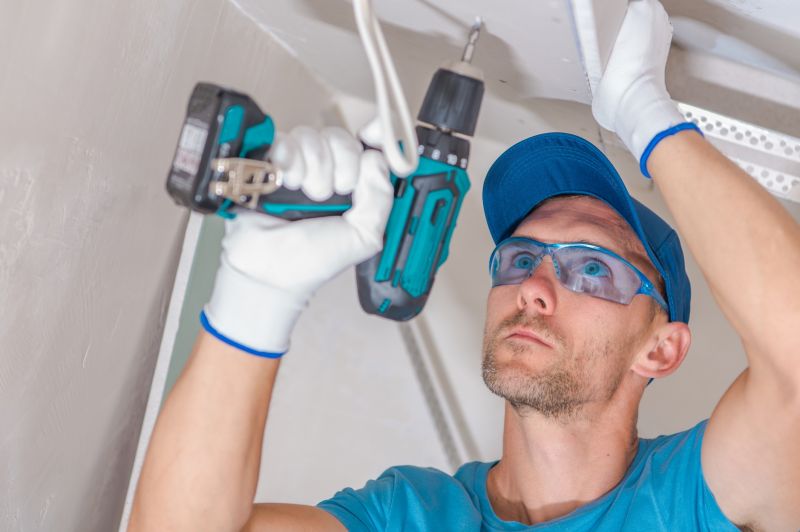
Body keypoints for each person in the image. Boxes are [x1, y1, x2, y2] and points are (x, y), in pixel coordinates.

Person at [129, 0, 800, 530]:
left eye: (593, 269)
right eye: (520, 257)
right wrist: (258, 293)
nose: (534, 287)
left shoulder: (693, 497)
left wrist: (643, 112)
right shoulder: (410, 516)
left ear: (660, 349)